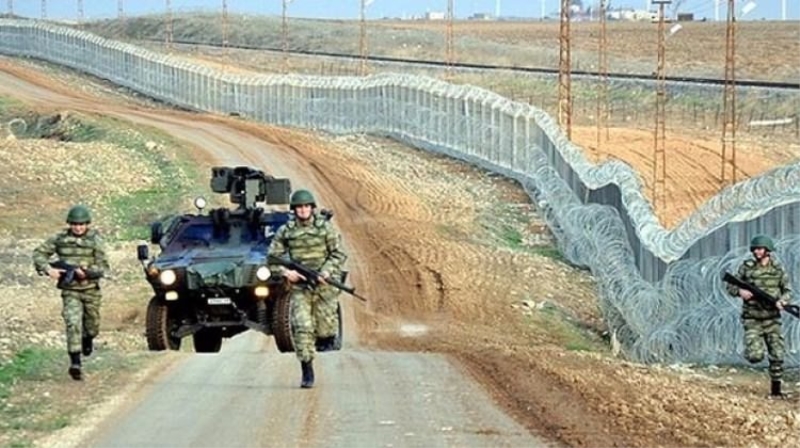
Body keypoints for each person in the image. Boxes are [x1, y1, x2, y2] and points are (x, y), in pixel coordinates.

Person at [267, 189, 347, 389]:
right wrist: (287, 273)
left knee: (326, 330)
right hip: (300, 287)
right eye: (299, 207)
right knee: (302, 327)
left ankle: (322, 340)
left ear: (312, 208)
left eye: (306, 207)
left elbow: (338, 254)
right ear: (294, 210)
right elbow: (272, 258)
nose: (303, 210)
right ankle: (307, 370)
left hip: (323, 285)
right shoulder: (287, 231)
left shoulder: (325, 229)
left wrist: (326, 272)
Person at [32, 205, 109, 381]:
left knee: (92, 326)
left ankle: (87, 339)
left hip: (90, 290)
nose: (78, 227)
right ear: (69, 224)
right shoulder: (60, 238)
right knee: (72, 323)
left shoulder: (95, 240)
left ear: (87, 224)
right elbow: (39, 254)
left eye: (81, 224)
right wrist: (47, 269)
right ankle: (75, 363)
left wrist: (87, 272)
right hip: (70, 291)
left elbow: (104, 267)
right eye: (74, 224)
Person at [727, 235, 793, 398]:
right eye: (755, 249)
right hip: (753, 319)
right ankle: (751, 347)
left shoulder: (778, 269)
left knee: (777, 355)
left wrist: (782, 301)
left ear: (767, 250)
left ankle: (776, 391)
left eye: (760, 249)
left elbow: (787, 290)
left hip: (772, 318)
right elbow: (730, 285)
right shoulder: (747, 267)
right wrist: (740, 292)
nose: (757, 251)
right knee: (755, 356)